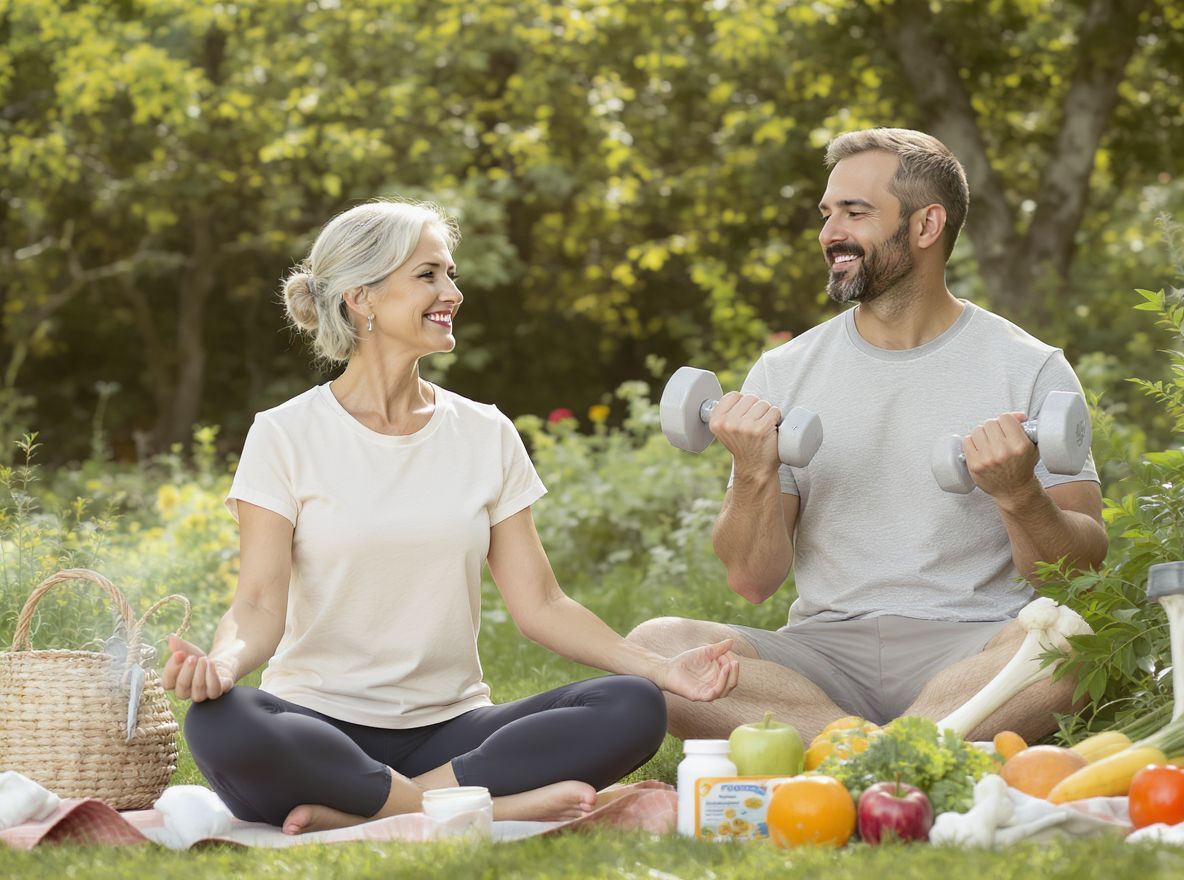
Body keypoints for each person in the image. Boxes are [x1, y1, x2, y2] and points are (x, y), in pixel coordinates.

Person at [165, 200, 739, 835]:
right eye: (429, 275)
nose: (453, 292)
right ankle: (482, 808)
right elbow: (258, 602)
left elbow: (541, 603)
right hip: (316, 727)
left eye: (450, 273)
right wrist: (222, 664)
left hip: (452, 733)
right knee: (220, 721)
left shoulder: (484, 431)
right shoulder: (285, 434)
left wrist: (661, 669)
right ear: (362, 298)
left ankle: (372, 809)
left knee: (631, 706)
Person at [626, 128, 1108, 745]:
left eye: (855, 213)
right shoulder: (783, 372)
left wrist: (1018, 495)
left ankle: (844, 754)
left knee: (1072, 642)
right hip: (825, 657)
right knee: (655, 649)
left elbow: (1078, 575)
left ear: (926, 225)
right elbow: (752, 582)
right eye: (828, 214)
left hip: (973, 644)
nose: (831, 233)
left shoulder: (1029, 366)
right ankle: (889, 750)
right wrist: (753, 470)